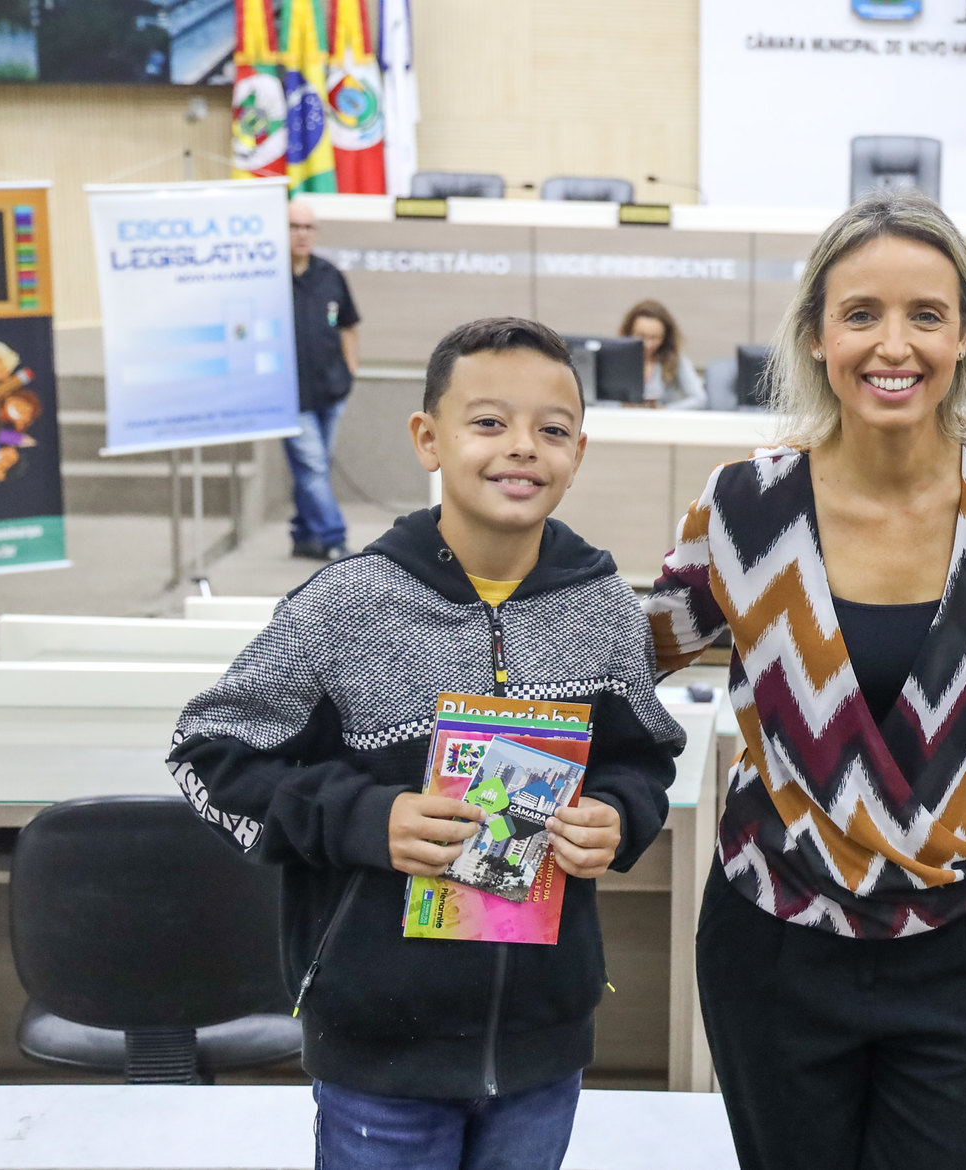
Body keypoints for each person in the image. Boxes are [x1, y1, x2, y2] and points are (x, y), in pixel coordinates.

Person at [642, 190, 966, 1170]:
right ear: (814, 336)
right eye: (861, 315)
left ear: (963, 332)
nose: (895, 345)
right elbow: (626, 665)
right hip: (774, 941)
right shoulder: (744, 504)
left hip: (964, 944)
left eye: (925, 314)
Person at [167, 317, 685, 1170]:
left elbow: (642, 758)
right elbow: (207, 755)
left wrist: (618, 818)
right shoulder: (343, 608)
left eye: (551, 431)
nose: (521, 448)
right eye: (488, 423)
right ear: (428, 439)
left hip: (543, 1042)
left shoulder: (603, 610)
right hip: (379, 1042)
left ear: (578, 453)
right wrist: (370, 820)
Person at [287, 198, 362, 560]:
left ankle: (303, 533)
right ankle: (334, 538)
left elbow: (348, 324)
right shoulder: (267, 278)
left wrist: (351, 368)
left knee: (314, 466)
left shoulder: (330, 275)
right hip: (289, 397)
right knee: (313, 465)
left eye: (307, 227)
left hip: (331, 390)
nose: (301, 234)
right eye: (293, 226)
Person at [620, 300, 706, 409]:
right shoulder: (618, 360)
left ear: (665, 337)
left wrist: (665, 409)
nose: (648, 344)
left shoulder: (676, 360)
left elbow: (700, 399)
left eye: (655, 338)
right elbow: (601, 401)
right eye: (641, 336)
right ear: (629, 332)